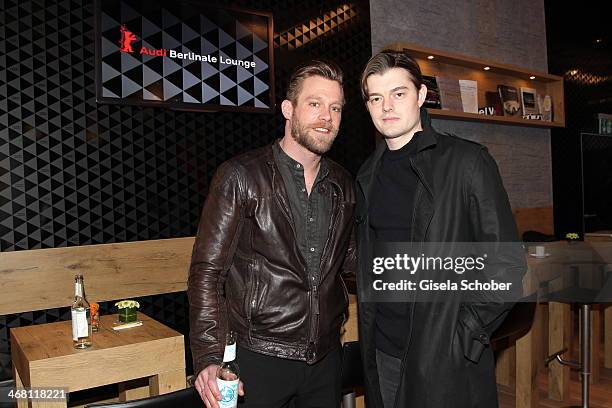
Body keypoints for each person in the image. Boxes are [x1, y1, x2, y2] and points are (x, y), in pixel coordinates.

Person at [355, 49, 526, 408]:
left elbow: (506, 264)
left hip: (445, 357)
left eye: (398, 94)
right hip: (384, 351)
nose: (387, 106)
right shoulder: (367, 176)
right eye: (376, 97)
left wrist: (464, 334)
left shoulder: (467, 161)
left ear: (420, 96)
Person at [188, 59, 356, 408]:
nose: (327, 116)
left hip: (325, 358)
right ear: (288, 109)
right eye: (315, 104)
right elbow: (208, 271)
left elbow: (351, 261)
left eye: (335, 107)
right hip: (256, 359)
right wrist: (208, 356)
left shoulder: (342, 184)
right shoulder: (241, 176)